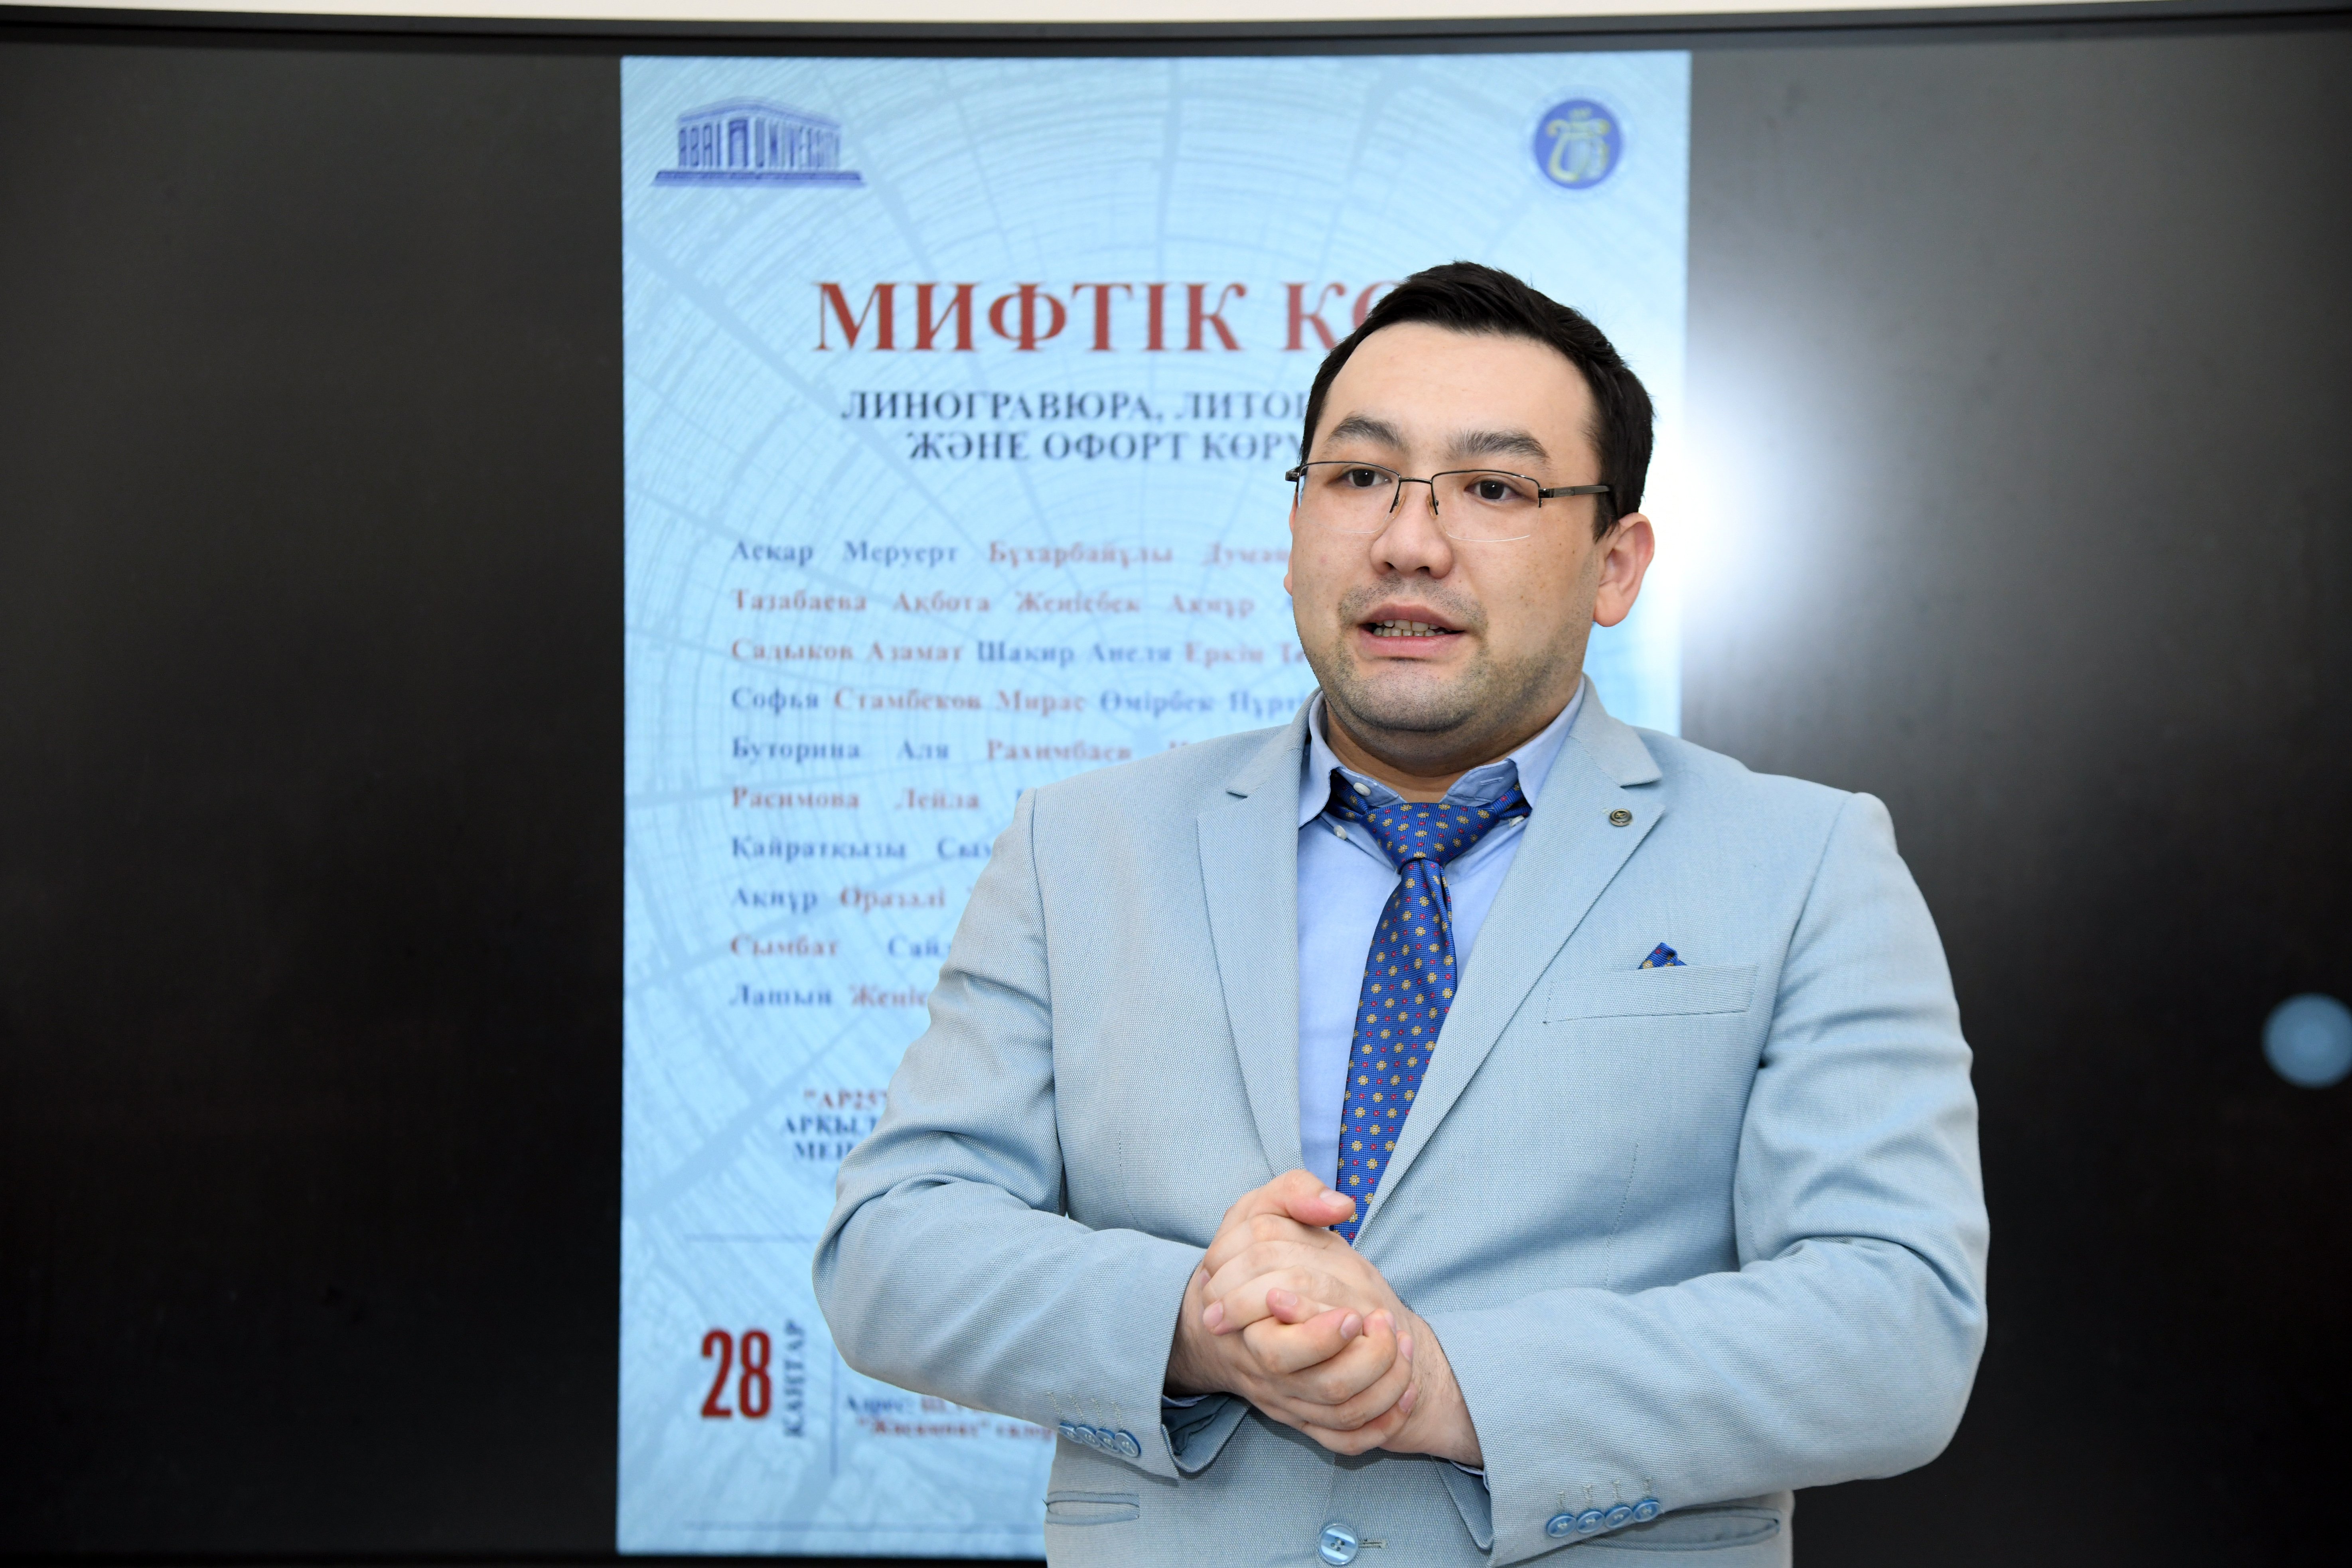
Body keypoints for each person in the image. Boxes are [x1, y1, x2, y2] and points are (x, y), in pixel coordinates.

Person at [814, 261, 1988, 1567]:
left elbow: (1899, 1325)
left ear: (1616, 564)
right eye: (1360, 475)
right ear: (1296, 525)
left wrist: (1449, 1384)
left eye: (1494, 488)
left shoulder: (1804, 860)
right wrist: (1198, 1320)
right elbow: (892, 1249)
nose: (1408, 542)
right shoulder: (1080, 846)